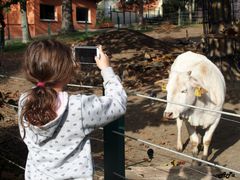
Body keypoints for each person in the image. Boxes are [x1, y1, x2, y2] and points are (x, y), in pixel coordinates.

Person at [18, 39, 127, 180]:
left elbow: (44, 90)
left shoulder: (25, 101)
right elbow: (118, 102)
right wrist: (106, 70)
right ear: (66, 70)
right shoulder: (78, 107)